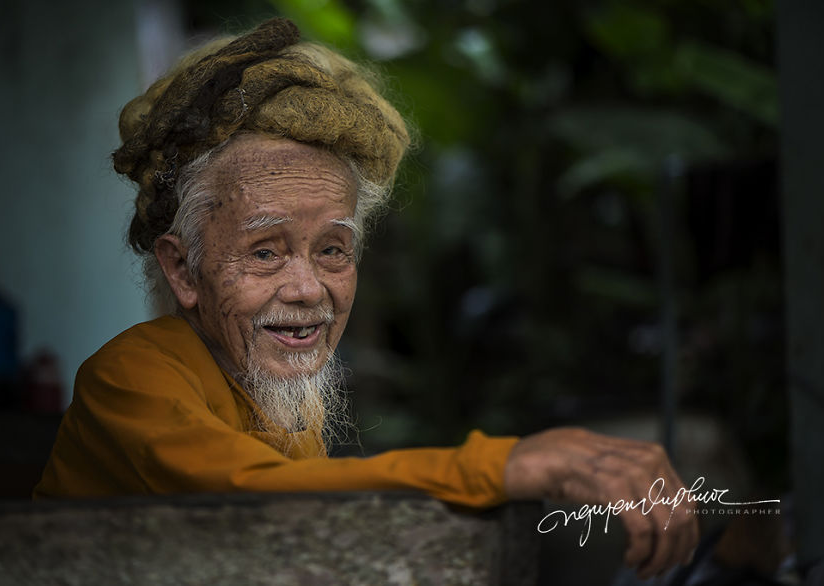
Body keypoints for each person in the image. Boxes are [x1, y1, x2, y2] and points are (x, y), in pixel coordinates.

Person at [34, 18, 698, 578]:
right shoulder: (130, 377)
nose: (307, 289)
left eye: (332, 250)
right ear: (184, 271)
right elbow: (251, 497)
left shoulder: (283, 397)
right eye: (265, 252)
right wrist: (506, 462)